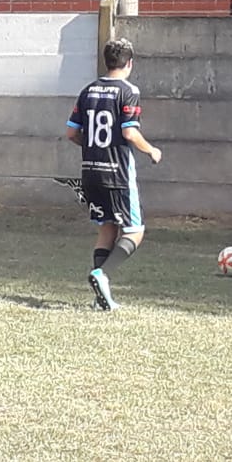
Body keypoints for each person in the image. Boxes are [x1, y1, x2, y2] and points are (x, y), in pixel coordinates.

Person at [66, 38, 162, 311]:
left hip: (90, 172)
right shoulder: (129, 91)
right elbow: (129, 132)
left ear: (106, 61)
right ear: (130, 63)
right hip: (117, 173)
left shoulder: (87, 90)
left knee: (107, 228)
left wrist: (93, 147)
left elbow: (71, 133)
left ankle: (101, 298)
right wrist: (151, 150)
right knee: (135, 231)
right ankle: (102, 274)